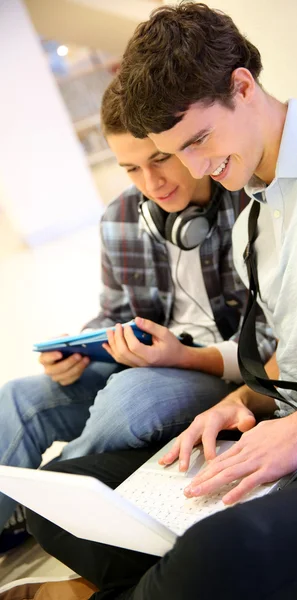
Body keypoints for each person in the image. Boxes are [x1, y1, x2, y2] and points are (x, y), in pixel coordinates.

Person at [11, 2, 297, 599]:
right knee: (65, 496)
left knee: (219, 553)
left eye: (196, 141)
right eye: (176, 150)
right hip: (288, 429)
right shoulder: (255, 211)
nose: (196, 168)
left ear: (242, 86)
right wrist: (241, 400)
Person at [0, 78, 275, 554]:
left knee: (131, 398)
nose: (152, 184)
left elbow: (275, 344)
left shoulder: (248, 203)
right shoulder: (123, 215)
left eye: (160, 159)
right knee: (20, 398)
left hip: (227, 373)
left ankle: (52, 502)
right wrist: (78, 348)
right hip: (152, 359)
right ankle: (15, 510)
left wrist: (185, 357)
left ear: (183, 144)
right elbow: (115, 312)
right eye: (131, 168)